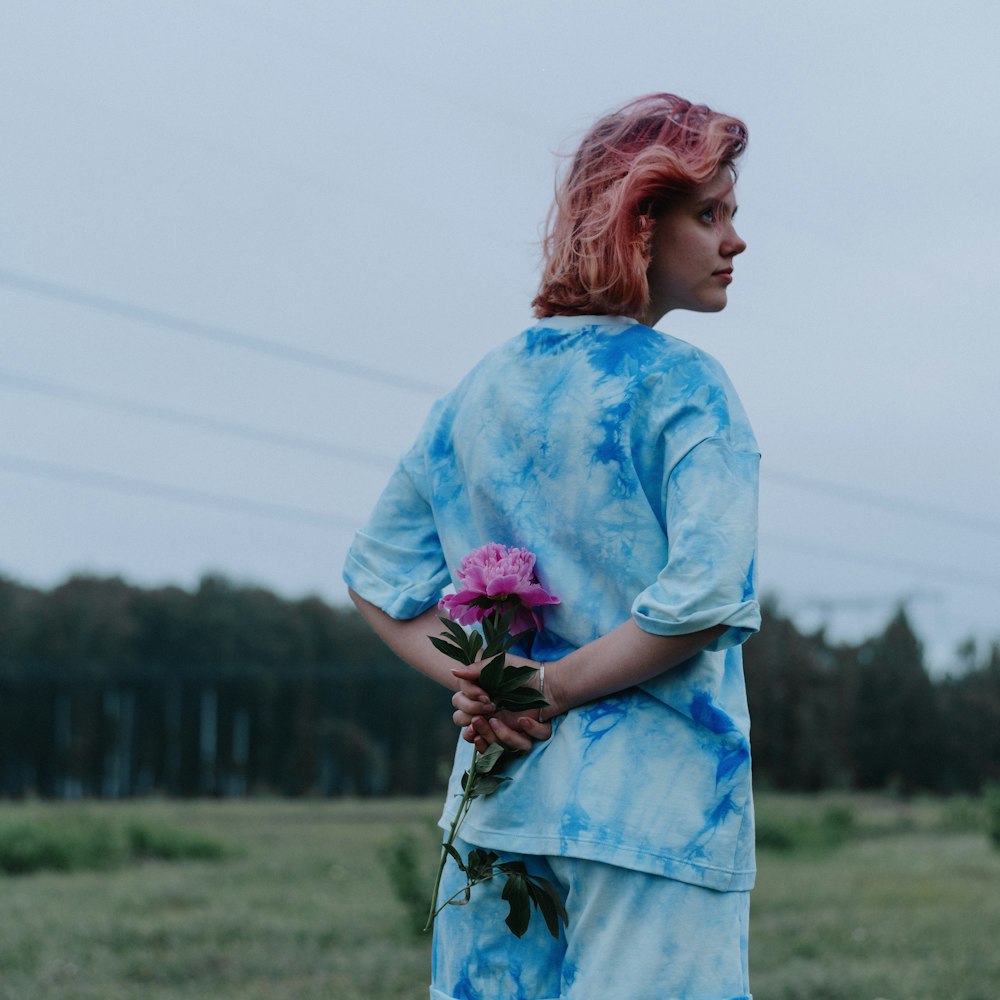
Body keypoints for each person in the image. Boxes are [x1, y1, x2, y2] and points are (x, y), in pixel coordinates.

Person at [345, 93, 760, 1000]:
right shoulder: (689, 389)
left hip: (497, 806)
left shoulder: (481, 389)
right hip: (655, 817)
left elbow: (377, 579)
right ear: (638, 221)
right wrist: (548, 686)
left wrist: (489, 687)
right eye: (709, 214)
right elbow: (704, 597)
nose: (736, 241)